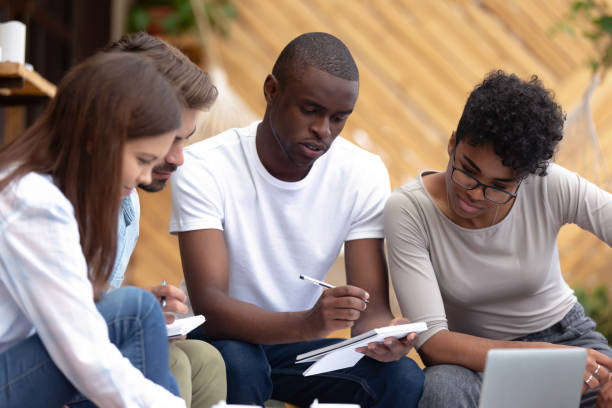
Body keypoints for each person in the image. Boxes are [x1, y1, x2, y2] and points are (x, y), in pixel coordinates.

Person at [169, 32, 424, 407]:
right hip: (222, 341)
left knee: (400, 378)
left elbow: (370, 314)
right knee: (240, 364)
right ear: (272, 90)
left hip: (296, 348)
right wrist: (309, 322)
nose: (324, 130)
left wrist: (385, 337)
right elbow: (211, 308)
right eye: (310, 110)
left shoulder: (362, 173)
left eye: (339, 118)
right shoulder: (205, 167)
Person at [383, 70, 612, 408]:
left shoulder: (548, 184)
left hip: (567, 339)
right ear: (452, 143)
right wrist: (543, 359)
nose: (474, 195)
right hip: (476, 362)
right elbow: (433, 341)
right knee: (441, 391)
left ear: (524, 178)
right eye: (467, 171)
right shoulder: (409, 211)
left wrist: (558, 358)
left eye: (499, 187)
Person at [0, 52, 186, 407]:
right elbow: (86, 355)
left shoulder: (43, 190)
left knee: (136, 310)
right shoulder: (34, 202)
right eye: (143, 160)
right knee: (133, 310)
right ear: (96, 139)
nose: (147, 177)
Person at [103, 32, 226, 408]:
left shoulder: (129, 203)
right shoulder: (51, 197)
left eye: (184, 140)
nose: (178, 158)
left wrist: (142, 306)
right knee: (172, 362)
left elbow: (91, 298)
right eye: (169, 139)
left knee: (206, 359)